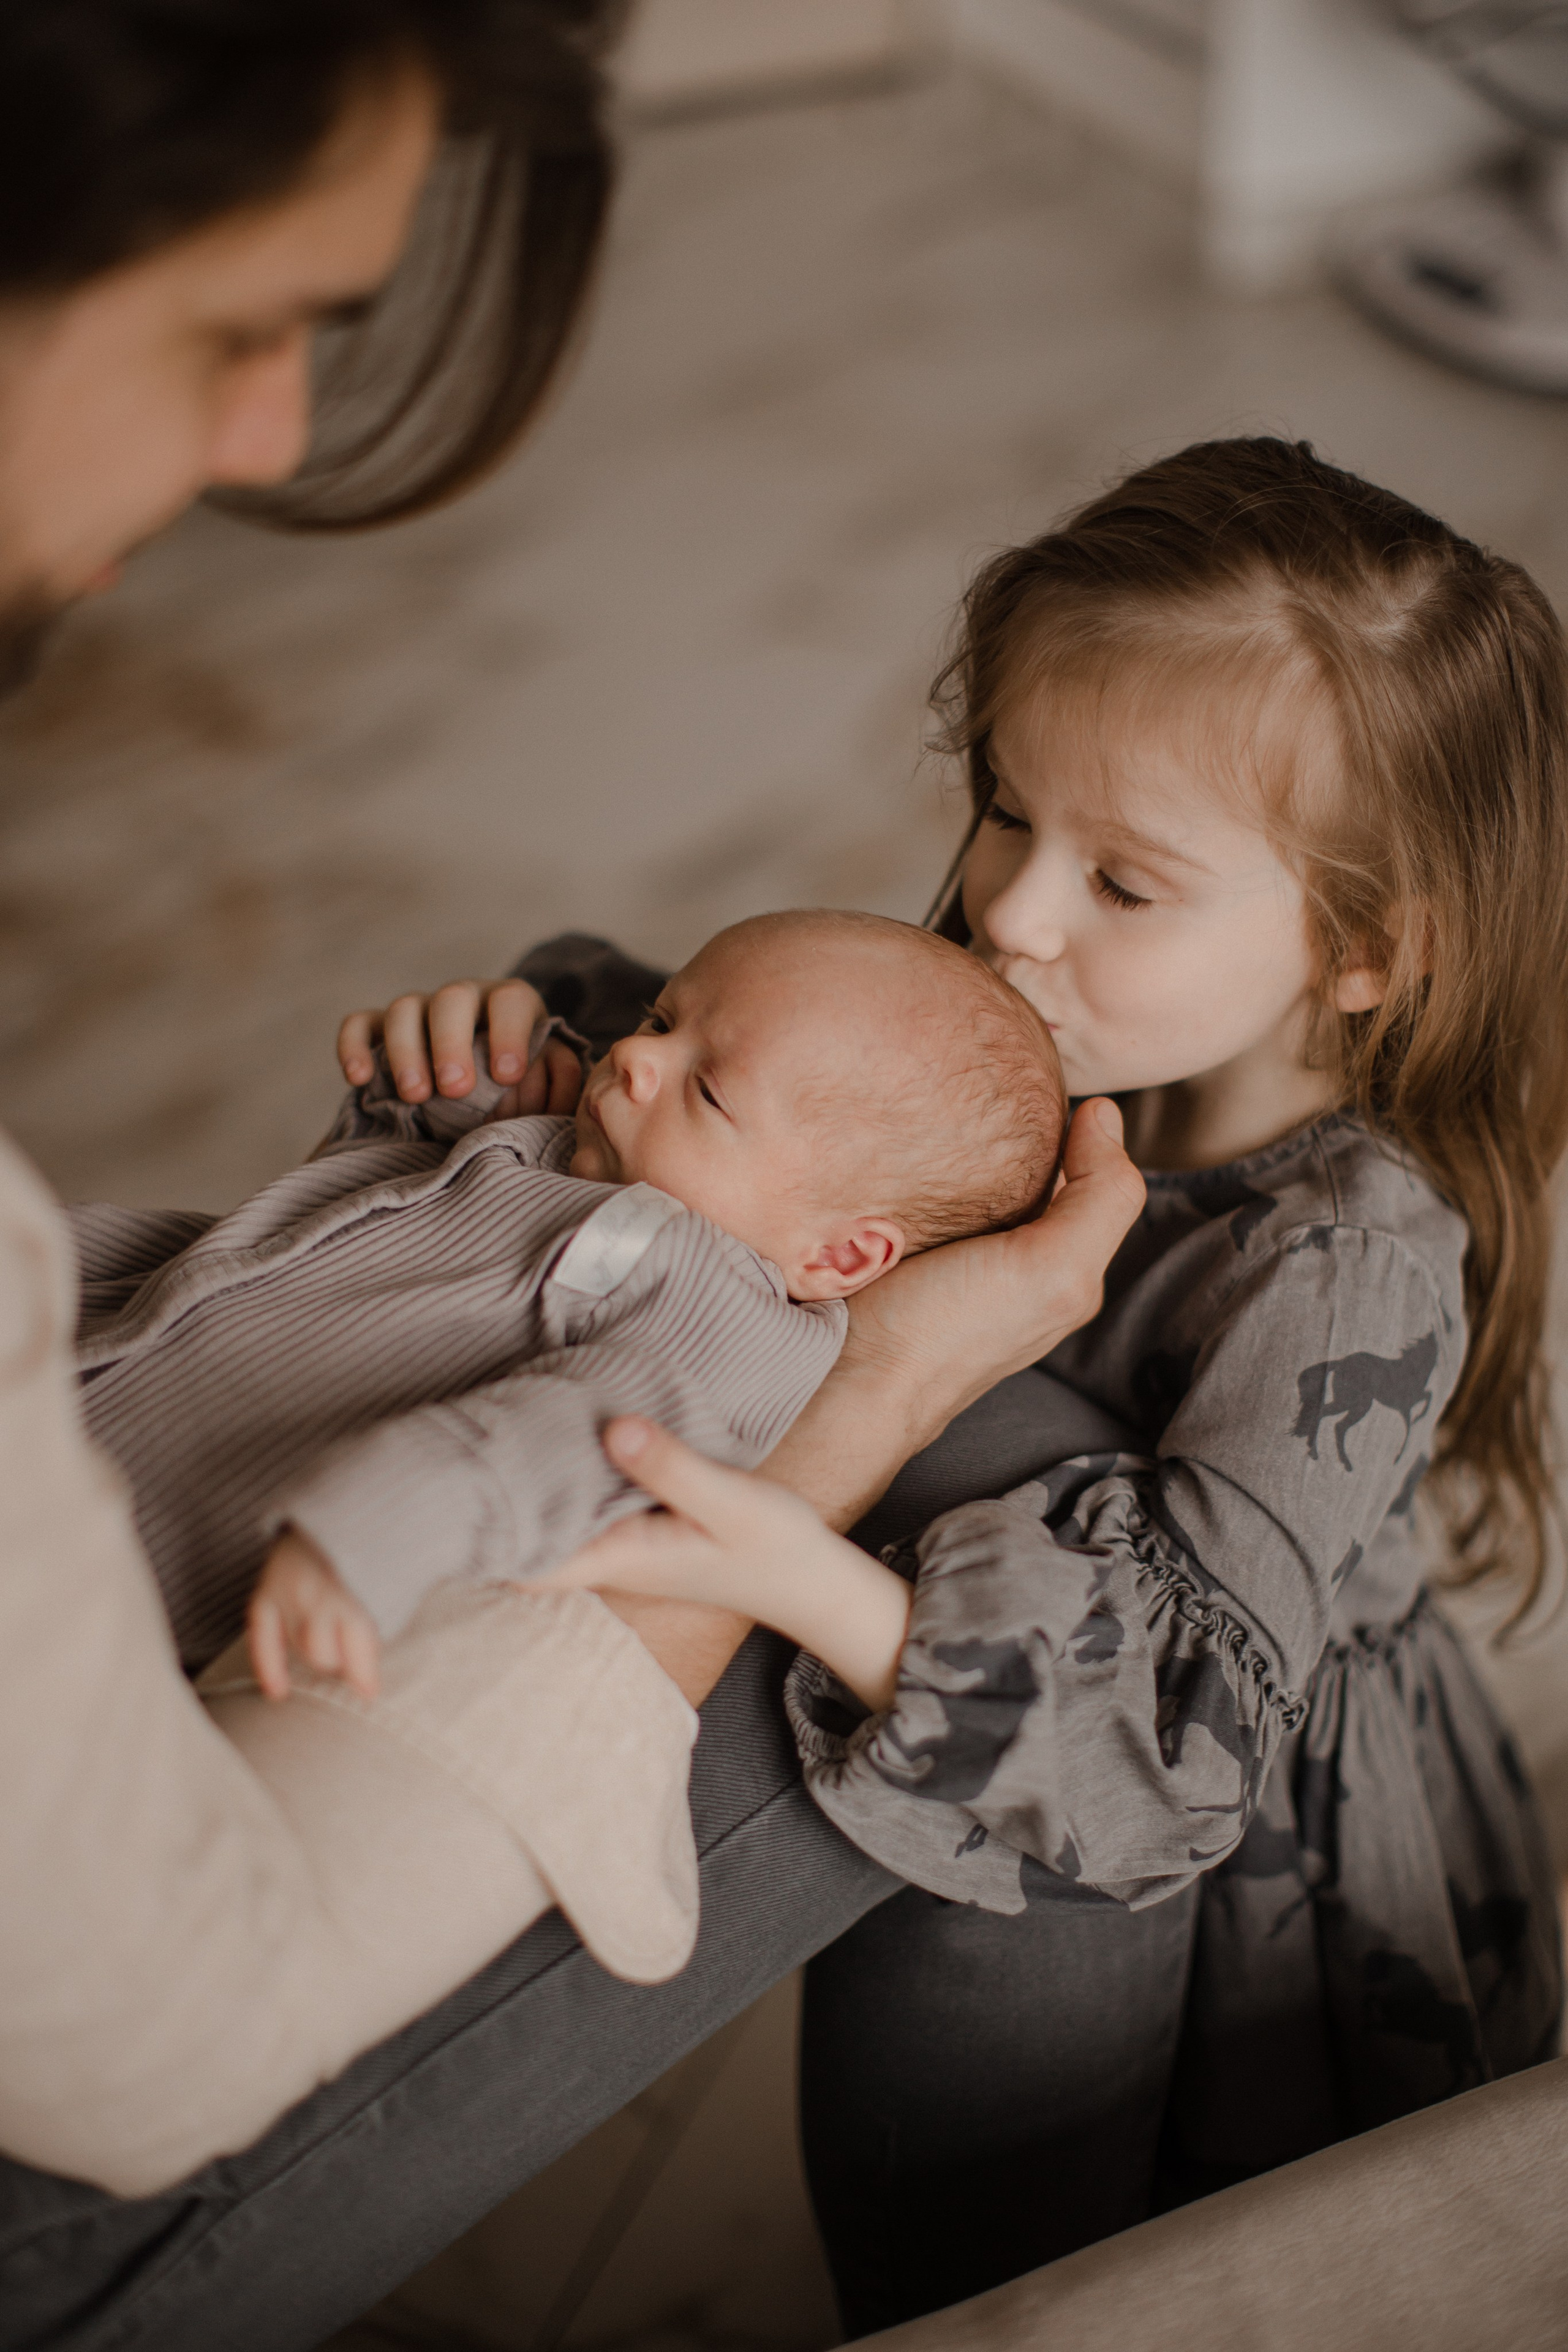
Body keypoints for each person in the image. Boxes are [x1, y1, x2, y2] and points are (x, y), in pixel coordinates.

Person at [0, 10, 1142, 2345]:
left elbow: (539, 1444)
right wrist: (429, 1124)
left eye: (701, 1077)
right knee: (987, 1473)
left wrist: (366, 1532)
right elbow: (347, 1264)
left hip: (198, 1527)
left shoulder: (714, 1307)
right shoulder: (644, 1182)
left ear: (831, 1248)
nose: (630, 1056)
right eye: (241, 325)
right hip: (120, 1466)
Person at [386, 437, 1567, 2335]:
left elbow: (1176, 1748)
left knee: (1051, 2275)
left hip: (1226, 1880)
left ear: (1363, 949)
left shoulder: (1346, 1259)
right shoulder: (1028, 1015)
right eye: (1009, 810)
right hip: (944, 1734)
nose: (1012, 910)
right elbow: (736, 1084)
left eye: (1126, 880)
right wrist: (522, 1068)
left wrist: (801, 1566)